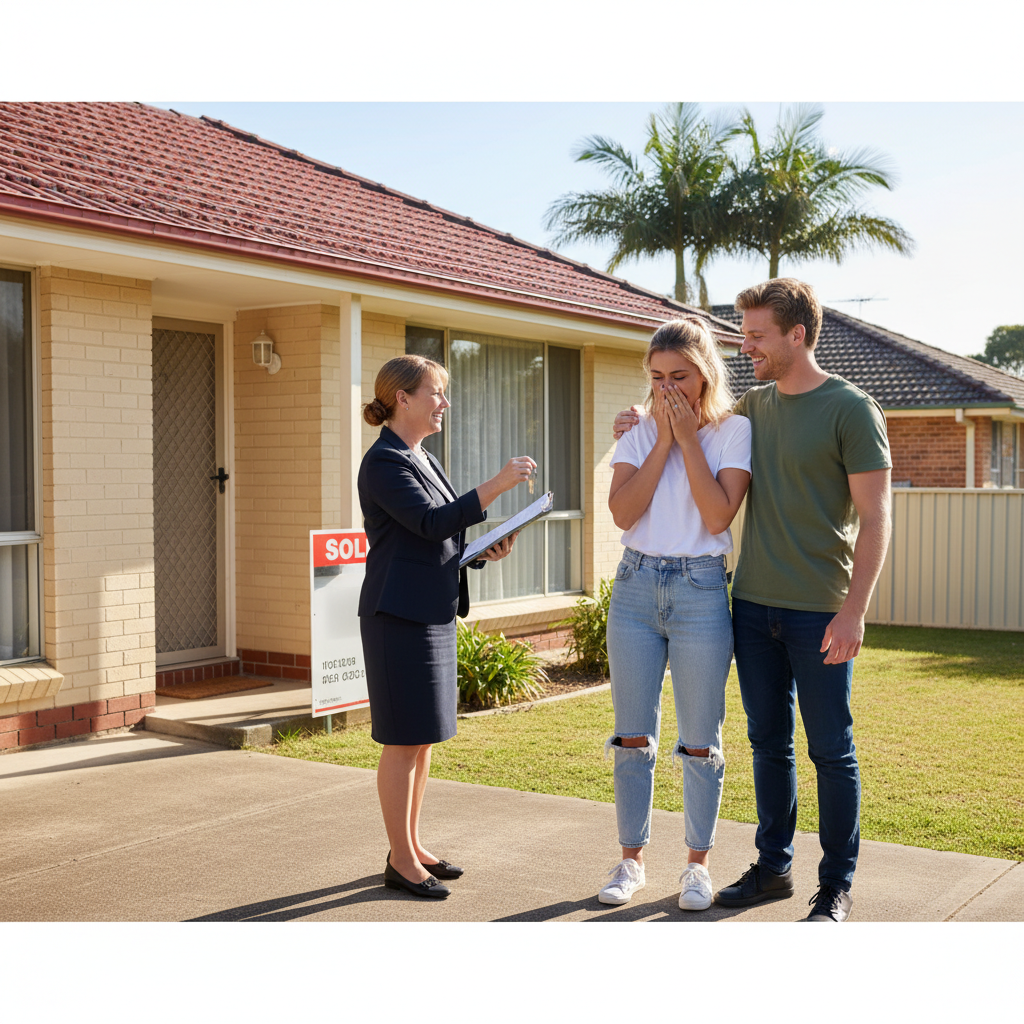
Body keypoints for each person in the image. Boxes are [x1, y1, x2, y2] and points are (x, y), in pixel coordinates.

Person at [613, 279, 892, 921]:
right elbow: (695, 419)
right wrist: (637, 421)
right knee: (769, 744)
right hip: (751, 604)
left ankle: (836, 884)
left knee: (831, 747)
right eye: (742, 334)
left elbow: (876, 518)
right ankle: (773, 869)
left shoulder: (852, 409)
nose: (747, 346)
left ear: (798, 334)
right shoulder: (753, 411)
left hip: (821, 609)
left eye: (759, 334)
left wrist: (855, 610)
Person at [358, 354, 535, 900]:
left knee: (424, 739)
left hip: (430, 612)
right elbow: (431, 521)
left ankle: (410, 846)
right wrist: (499, 484)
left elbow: (440, 538)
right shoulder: (385, 462)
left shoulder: (423, 458)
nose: (445, 403)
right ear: (402, 398)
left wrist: (482, 552)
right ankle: (402, 861)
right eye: (436, 392)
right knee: (402, 741)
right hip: (397, 617)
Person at [599, 318, 751, 912]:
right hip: (636, 586)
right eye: (657, 377)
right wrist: (661, 437)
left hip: (700, 590)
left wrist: (688, 438)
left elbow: (717, 517)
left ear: (705, 374)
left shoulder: (734, 431)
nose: (667, 388)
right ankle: (631, 860)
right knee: (632, 736)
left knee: (698, 740)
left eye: (680, 377)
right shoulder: (636, 432)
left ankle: (696, 866)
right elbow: (622, 513)